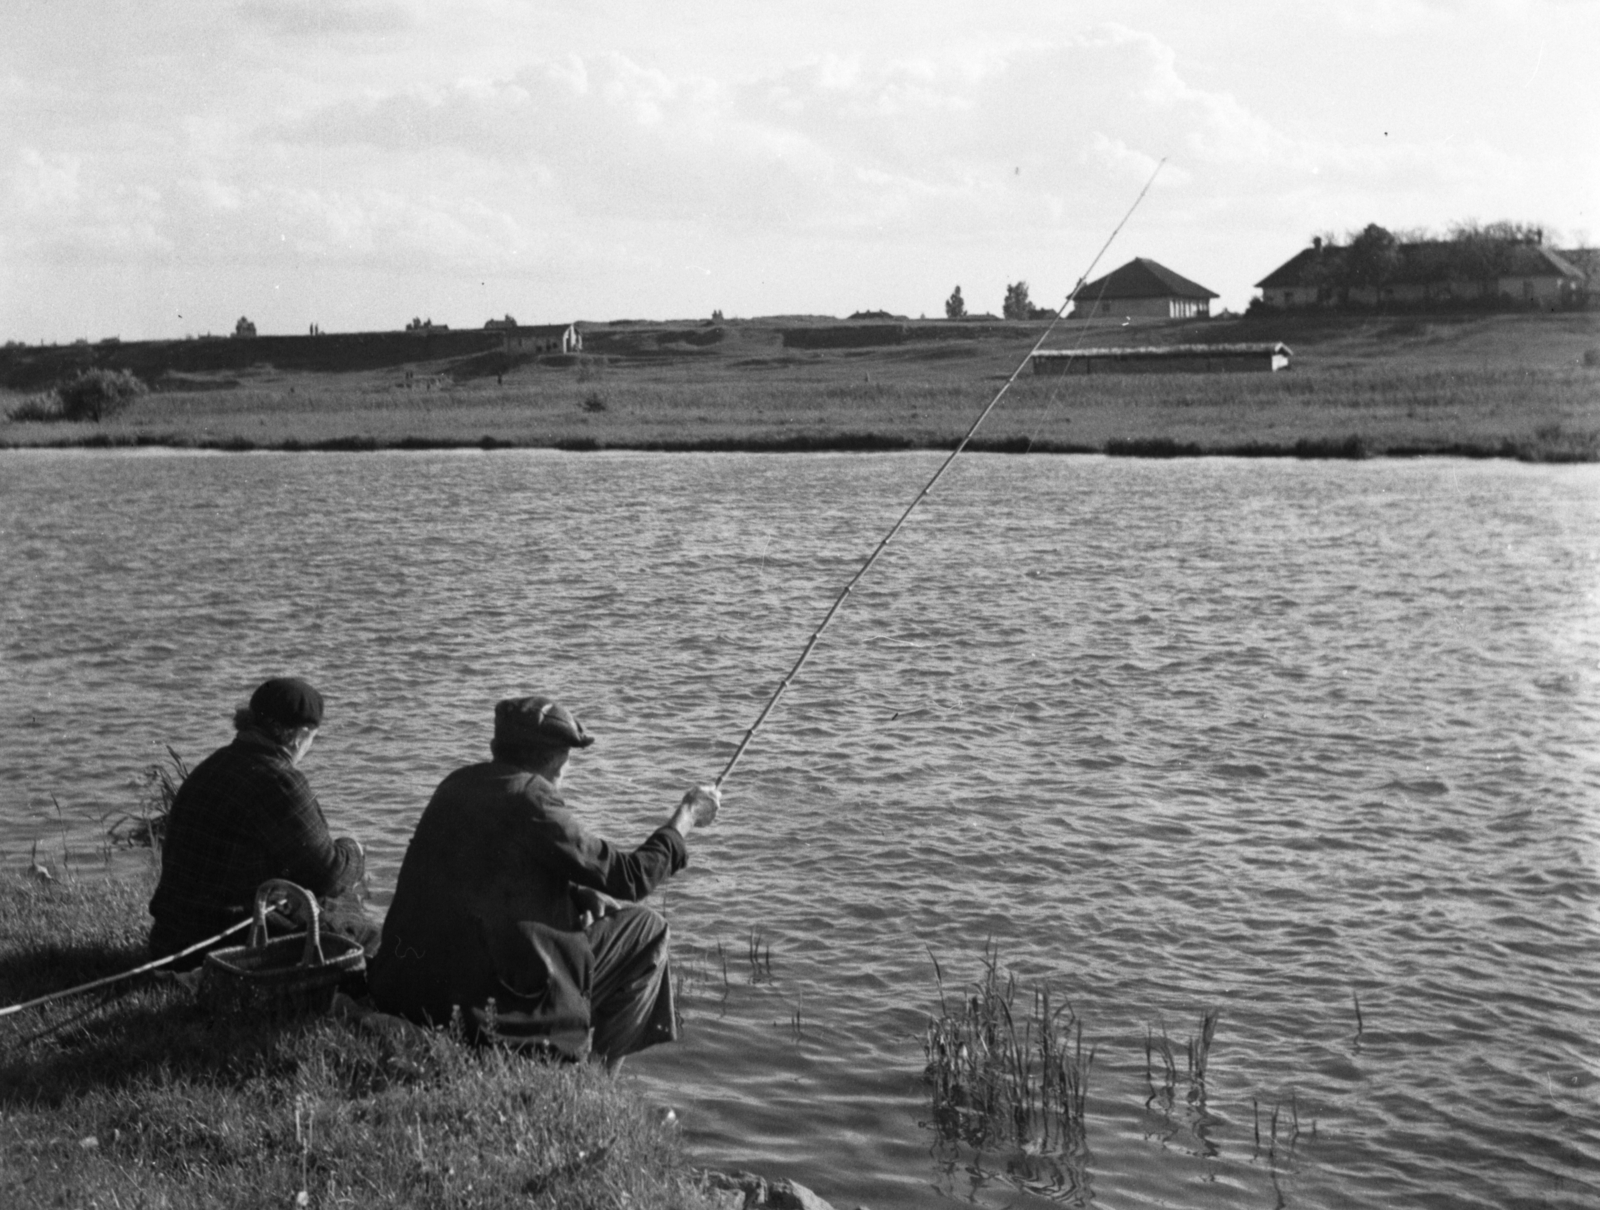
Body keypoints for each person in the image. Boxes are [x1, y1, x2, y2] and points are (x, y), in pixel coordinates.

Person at [368, 695, 719, 1069]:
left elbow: (484, 876)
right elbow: (630, 877)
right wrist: (684, 819)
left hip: (411, 990)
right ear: (555, 760)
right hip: (487, 1007)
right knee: (649, 929)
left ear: (496, 747)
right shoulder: (534, 800)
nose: (566, 771)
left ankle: (584, 1061)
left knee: (598, 925)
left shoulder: (456, 784)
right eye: (566, 759)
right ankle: (595, 1077)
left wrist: (573, 893)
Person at [147, 677, 377, 965]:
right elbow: (328, 875)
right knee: (368, 932)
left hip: (171, 940)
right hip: (228, 946)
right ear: (300, 734)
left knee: (331, 906)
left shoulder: (213, 764)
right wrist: (353, 850)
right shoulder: (280, 781)